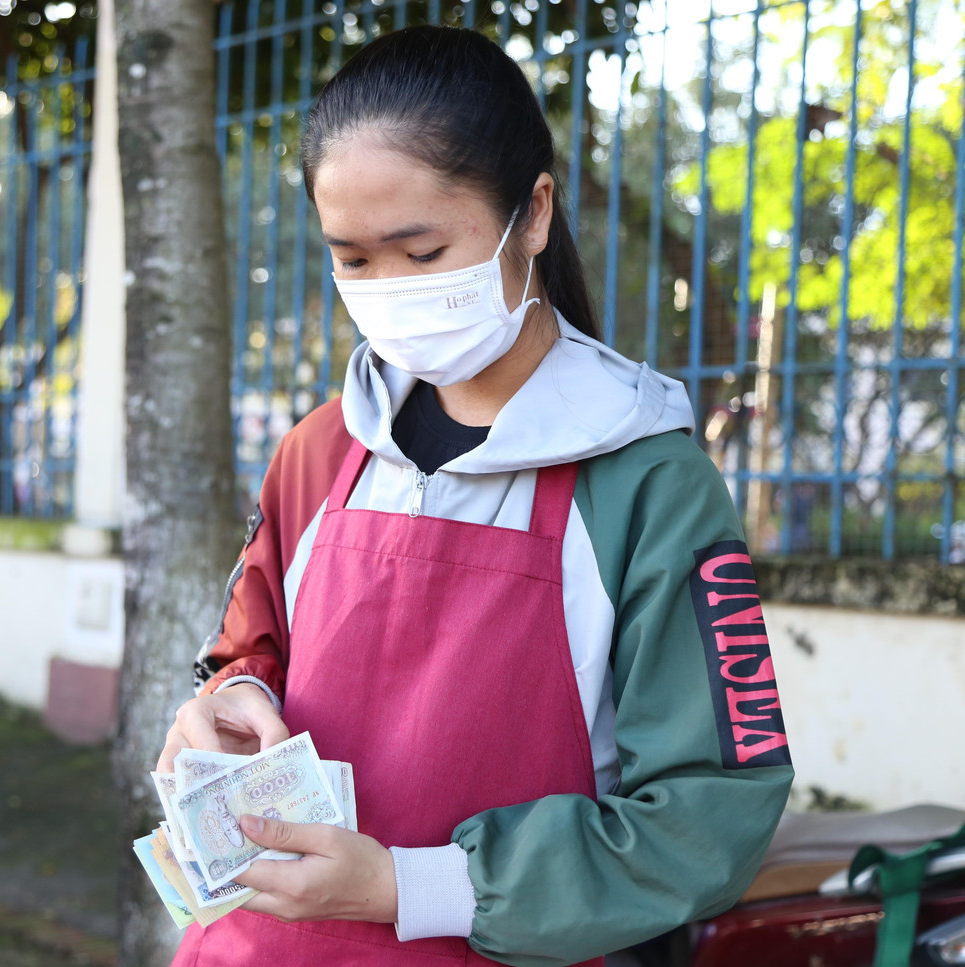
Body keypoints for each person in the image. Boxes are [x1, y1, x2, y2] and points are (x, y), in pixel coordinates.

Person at [158, 25, 793, 967]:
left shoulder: (644, 481)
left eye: (420, 253)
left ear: (531, 215)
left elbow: (706, 812)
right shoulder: (321, 449)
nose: (386, 290)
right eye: (353, 259)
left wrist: (406, 886)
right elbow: (252, 645)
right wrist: (231, 695)